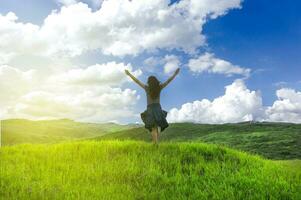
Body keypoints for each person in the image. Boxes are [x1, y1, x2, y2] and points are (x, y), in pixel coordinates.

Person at [125, 68, 180, 144]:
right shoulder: (159, 87)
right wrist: (175, 74)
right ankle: (156, 143)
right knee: (157, 127)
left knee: (153, 128)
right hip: (158, 108)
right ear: (156, 81)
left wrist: (129, 74)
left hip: (150, 108)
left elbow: (137, 81)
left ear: (149, 82)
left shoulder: (146, 88)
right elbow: (168, 81)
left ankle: (155, 143)